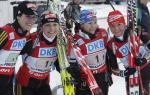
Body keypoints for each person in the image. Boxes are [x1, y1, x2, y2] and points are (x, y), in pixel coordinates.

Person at [67, 9, 112, 95]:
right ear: (82, 24)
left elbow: (110, 51)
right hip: (87, 79)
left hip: (102, 77)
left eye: (95, 22)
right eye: (89, 23)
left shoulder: (103, 33)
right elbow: (72, 62)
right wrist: (78, 75)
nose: (93, 26)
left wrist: (109, 70)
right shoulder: (76, 39)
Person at [16, 11, 60, 95]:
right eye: (47, 25)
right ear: (41, 27)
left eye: (55, 25)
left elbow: (59, 64)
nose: (52, 29)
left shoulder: (60, 43)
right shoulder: (31, 40)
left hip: (43, 83)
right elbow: (11, 53)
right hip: (25, 83)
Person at [107, 10, 150, 95]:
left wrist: (144, 60)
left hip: (147, 69)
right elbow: (114, 69)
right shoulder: (111, 45)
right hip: (131, 75)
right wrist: (124, 72)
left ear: (124, 23)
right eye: (112, 26)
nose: (116, 29)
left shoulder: (137, 32)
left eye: (119, 24)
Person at [0, 1, 37, 95]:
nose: (31, 21)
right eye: (27, 16)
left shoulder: (26, 36)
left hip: (8, 81)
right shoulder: (6, 32)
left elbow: (26, 50)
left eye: (33, 17)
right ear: (18, 16)